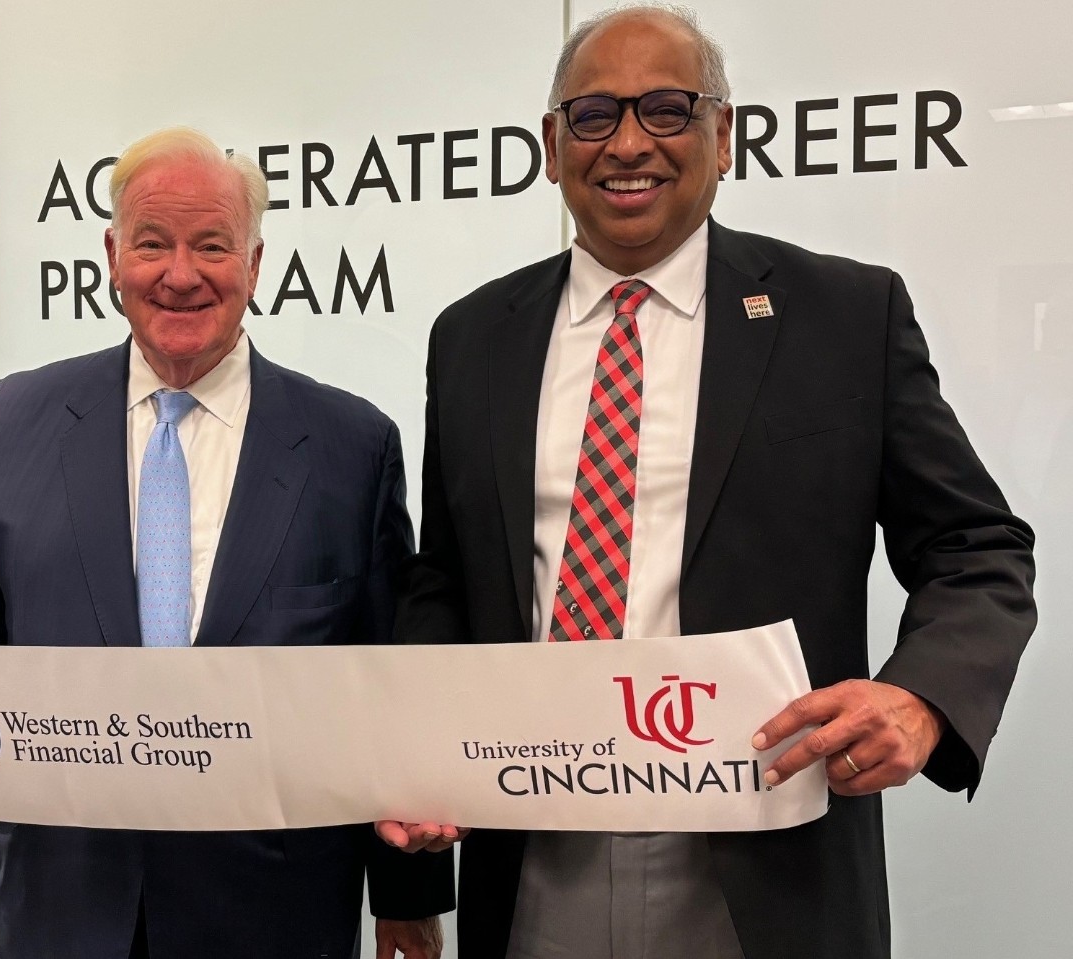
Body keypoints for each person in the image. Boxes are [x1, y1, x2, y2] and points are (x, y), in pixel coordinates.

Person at [379, 6, 1036, 959]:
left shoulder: (845, 316)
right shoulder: (474, 336)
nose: (630, 142)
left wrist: (922, 697)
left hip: (767, 865)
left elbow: (978, 549)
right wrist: (419, 770)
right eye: (595, 115)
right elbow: (447, 580)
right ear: (553, 147)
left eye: (668, 109)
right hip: (528, 861)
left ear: (723, 136)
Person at [0, 127, 451, 959]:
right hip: (65, 909)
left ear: (255, 263)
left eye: (211, 244)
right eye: (152, 243)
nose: (180, 274)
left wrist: (406, 897)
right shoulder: (19, 417)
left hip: (276, 918)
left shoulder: (351, 444)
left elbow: (385, 678)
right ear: (112, 254)